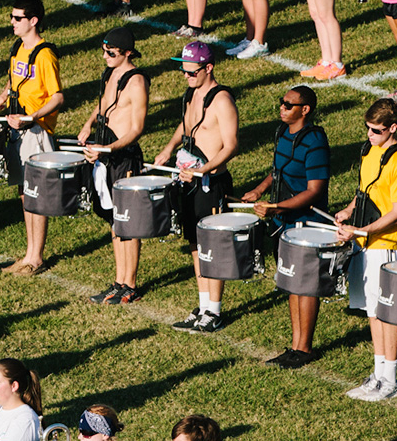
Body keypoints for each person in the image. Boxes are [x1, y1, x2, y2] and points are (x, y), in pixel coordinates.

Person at [153, 40, 238, 332]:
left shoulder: (222, 100)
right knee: (194, 243)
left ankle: (214, 310)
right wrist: (168, 148)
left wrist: (204, 169)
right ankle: (203, 304)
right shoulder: (192, 93)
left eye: (192, 72)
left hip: (209, 181)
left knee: (211, 246)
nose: (187, 76)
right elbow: (187, 125)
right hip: (188, 177)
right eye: (184, 71)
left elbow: (231, 145)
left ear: (208, 68)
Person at [241, 85, 331, 359]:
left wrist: (276, 207)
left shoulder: (315, 141)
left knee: (305, 286)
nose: (282, 107)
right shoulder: (282, 133)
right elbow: (277, 171)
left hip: (306, 223)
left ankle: (304, 348)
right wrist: (259, 190)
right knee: (292, 283)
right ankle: (295, 346)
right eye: (281, 103)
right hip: (284, 220)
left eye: (288, 104)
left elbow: (314, 190)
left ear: (305, 110)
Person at [336, 98, 397, 403]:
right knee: (372, 310)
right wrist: (348, 212)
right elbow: (365, 193)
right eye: (367, 128)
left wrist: (364, 230)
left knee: (386, 312)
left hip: (386, 246)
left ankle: (390, 379)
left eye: (376, 130)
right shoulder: (370, 151)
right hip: (364, 243)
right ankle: (378, 372)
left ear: (392, 128)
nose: (370, 134)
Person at [77, 28, 149, 306]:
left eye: (112, 53)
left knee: (127, 223)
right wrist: (87, 126)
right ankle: (119, 280)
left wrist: (109, 149)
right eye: (104, 51)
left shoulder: (137, 81)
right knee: (113, 220)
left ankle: (130, 283)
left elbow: (137, 128)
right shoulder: (110, 73)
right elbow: (104, 106)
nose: (105, 56)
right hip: (105, 152)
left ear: (128, 53)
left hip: (123, 156)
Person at [0, 0, 66, 278]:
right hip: (19, 128)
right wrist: (4, 95)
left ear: (33, 20)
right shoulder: (18, 48)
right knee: (25, 194)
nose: (12, 22)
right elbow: (16, 80)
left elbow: (58, 96)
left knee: (34, 195)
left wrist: (35, 117)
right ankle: (29, 253)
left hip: (35, 131)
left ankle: (36, 257)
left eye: (17, 18)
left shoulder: (45, 54)